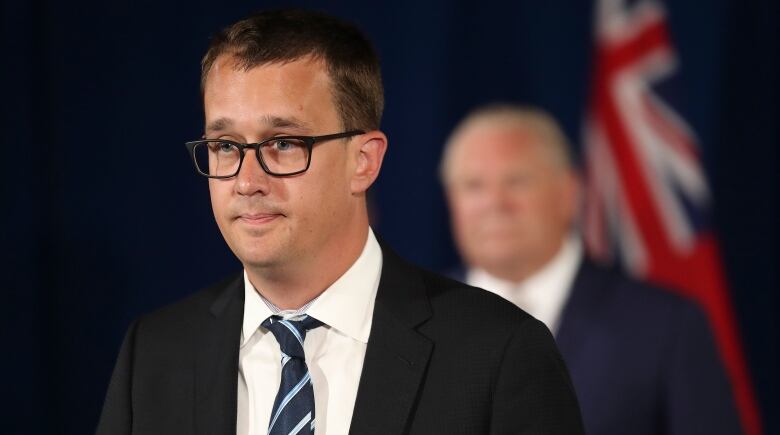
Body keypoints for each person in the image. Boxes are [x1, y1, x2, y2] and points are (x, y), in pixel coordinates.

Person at [96, 10, 584, 435]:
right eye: (225, 147)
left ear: (364, 162)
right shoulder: (156, 354)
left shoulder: (498, 354)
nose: (246, 181)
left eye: (283, 144)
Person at [440, 103, 743, 435]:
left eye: (517, 181)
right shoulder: (406, 319)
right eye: (473, 186)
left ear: (569, 193)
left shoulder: (666, 326)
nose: (495, 203)